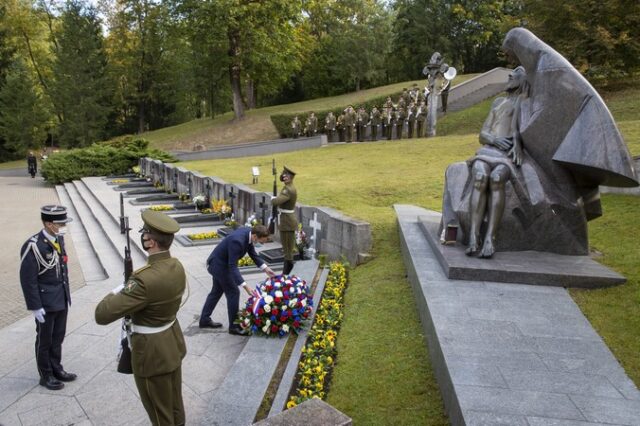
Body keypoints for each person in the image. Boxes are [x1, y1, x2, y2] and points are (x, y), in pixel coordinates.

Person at [95, 210, 187, 425]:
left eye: (145, 233)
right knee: (175, 406)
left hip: (152, 354)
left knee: (159, 413)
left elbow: (102, 314)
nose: (143, 236)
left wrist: (121, 288)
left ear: (151, 241)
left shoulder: (143, 279)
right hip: (172, 344)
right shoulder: (176, 266)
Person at [464, 66, 527, 258]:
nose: (510, 75)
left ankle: (490, 237)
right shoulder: (498, 102)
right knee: (480, 177)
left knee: (497, 179)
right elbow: (483, 133)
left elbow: (522, 129)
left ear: (523, 79)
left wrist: (517, 143)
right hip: (488, 150)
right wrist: (494, 139)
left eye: (515, 72)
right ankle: (474, 237)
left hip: (506, 156)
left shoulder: (525, 102)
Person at [19, 205, 76, 390]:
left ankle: (57, 368)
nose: (63, 226)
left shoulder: (58, 238)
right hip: (45, 302)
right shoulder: (33, 245)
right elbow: (28, 279)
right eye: (61, 223)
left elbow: (62, 268)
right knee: (45, 340)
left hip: (60, 298)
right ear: (49, 224)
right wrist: (35, 307)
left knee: (58, 337)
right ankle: (46, 375)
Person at [199, 224, 275, 334]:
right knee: (234, 292)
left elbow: (252, 253)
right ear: (255, 237)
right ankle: (234, 327)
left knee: (216, 291)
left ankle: (204, 320)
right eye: (261, 242)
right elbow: (232, 266)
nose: (262, 244)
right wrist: (245, 286)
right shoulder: (237, 241)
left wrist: (266, 268)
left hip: (219, 263)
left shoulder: (250, 233)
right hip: (218, 265)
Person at [271, 166, 298, 274]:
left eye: (286, 175)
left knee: (287, 249)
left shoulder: (288, 189)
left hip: (287, 222)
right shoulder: (287, 187)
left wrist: (273, 199)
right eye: (284, 175)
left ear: (291, 177)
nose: (284, 176)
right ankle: (286, 271)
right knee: (287, 248)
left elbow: (276, 202)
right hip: (286, 220)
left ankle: (287, 273)